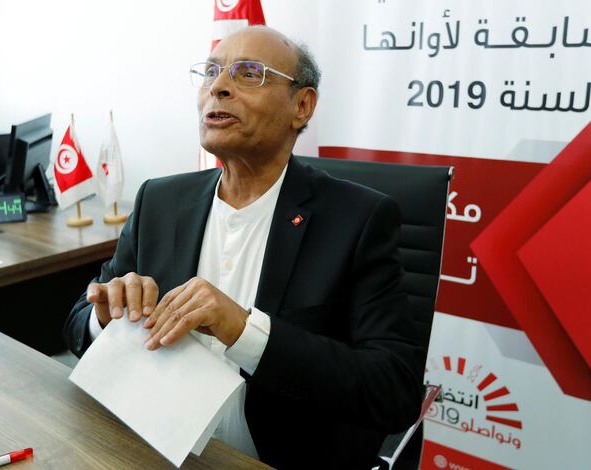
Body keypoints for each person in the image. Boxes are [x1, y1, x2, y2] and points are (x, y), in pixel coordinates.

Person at [63, 26, 423, 469]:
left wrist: (244, 331)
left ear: (302, 105)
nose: (217, 87)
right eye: (211, 72)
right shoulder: (159, 200)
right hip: (152, 447)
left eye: (249, 73)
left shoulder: (359, 219)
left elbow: (395, 391)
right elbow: (78, 324)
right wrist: (104, 314)